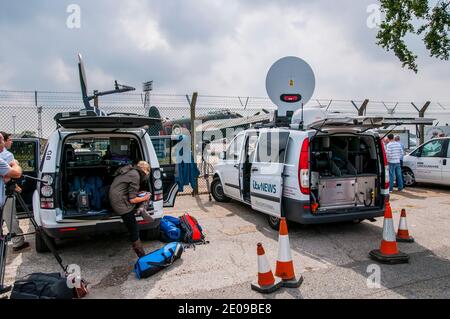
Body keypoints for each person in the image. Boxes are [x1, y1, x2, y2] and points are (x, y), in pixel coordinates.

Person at [109, 161, 152, 257]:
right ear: (145, 171)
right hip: (120, 204)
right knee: (134, 229)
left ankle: (141, 209)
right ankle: (142, 256)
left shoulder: (131, 171)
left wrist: (140, 193)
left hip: (116, 198)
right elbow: (132, 200)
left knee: (144, 193)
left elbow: (128, 190)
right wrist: (145, 198)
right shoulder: (136, 176)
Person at [0, 132, 30, 251]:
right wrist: (16, 164)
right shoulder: (7, 156)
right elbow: (15, 174)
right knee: (10, 217)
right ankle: (18, 242)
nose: (11, 142)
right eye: (9, 140)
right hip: (6, 191)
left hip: (5, 189)